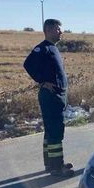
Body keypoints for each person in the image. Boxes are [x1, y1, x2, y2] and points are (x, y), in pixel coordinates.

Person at [23, 19, 73, 176]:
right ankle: (57, 168)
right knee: (56, 131)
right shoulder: (42, 48)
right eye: (58, 29)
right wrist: (42, 81)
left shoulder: (53, 48)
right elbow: (28, 64)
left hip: (57, 96)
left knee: (51, 131)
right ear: (49, 30)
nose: (61, 32)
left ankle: (50, 164)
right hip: (50, 96)